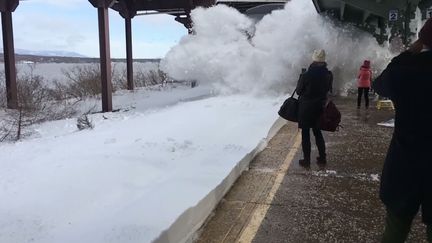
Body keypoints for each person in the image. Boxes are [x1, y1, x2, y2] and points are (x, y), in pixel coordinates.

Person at [373, 18, 432, 242]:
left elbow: (379, 84)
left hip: (405, 165)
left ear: (422, 40)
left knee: (395, 232)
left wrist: (408, 53)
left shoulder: (405, 72)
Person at [296, 49, 333, 167]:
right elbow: (328, 90)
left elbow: (298, 91)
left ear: (313, 59)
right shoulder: (328, 74)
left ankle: (306, 160)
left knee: (305, 134)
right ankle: (322, 157)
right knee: (318, 132)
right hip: (319, 108)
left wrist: (301, 78)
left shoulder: (306, 75)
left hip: (305, 108)